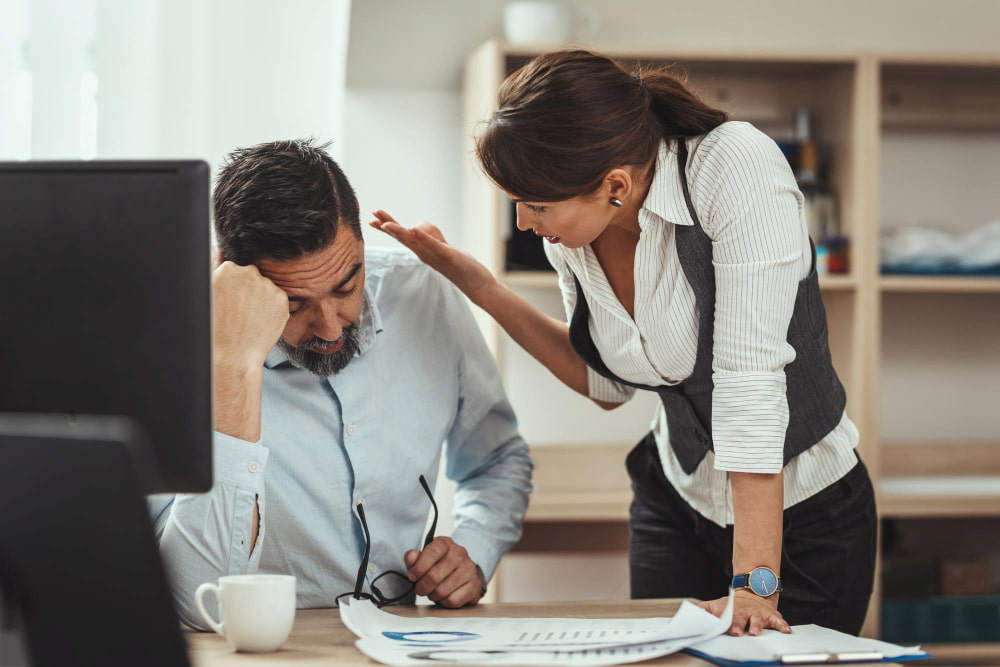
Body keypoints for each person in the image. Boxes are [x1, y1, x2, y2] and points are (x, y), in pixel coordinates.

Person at [372, 49, 877, 637]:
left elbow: (750, 384)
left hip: (802, 514)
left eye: (536, 205)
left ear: (614, 183)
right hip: (677, 498)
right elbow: (606, 384)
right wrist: (477, 284)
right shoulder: (575, 237)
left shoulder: (733, 167)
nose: (525, 224)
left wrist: (753, 583)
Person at [149, 139, 532, 630]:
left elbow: (497, 459)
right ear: (232, 274)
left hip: (405, 644)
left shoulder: (425, 294)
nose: (330, 326)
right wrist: (234, 369)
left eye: (346, 287)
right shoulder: (168, 349)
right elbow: (194, 602)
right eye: (293, 304)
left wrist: (474, 552)